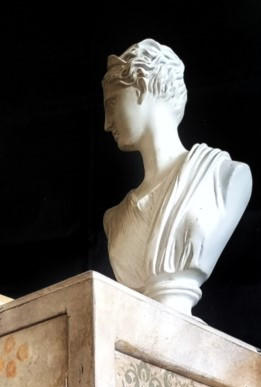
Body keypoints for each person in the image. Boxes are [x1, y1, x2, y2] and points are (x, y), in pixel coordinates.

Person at [102, 39, 252, 314]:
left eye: (112, 103)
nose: (107, 122)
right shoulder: (115, 219)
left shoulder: (223, 177)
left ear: (142, 89)